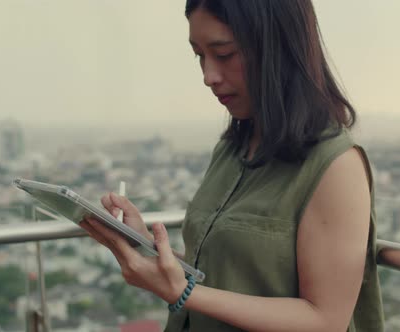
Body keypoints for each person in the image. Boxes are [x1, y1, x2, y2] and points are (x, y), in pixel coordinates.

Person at [80, 0, 384, 331]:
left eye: (224, 54)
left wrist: (184, 293)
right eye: (199, 55)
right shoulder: (232, 149)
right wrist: (148, 249)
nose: (208, 76)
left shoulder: (336, 166)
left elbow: (325, 320)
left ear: (278, 48)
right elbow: (221, 279)